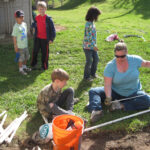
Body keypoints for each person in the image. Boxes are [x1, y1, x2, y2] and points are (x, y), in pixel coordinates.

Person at [87, 40, 150, 123]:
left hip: (134, 92)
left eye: (122, 56)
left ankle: (119, 105)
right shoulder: (110, 66)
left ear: (127, 52)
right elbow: (107, 84)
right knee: (93, 91)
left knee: (147, 100)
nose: (119, 59)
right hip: (115, 92)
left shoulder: (134, 60)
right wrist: (109, 98)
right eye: (117, 56)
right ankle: (96, 111)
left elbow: (146, 64)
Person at [31, 1, 56, 70]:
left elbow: (53, 30)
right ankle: (34, 64)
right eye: (40, 9)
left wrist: (51, 39)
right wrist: (33, 29)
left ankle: (44, 65)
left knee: (44, 53)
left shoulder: (48, 19)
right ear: (37, 10)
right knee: (35, 51)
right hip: (37, 38)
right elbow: (33, 25)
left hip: (45, 39)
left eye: (43, 9)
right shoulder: (36, 18)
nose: (41, 10)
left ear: (45, 9)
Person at [83, 6, 101, 81]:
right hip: (88, 47)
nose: (97, 17)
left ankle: (93, 73)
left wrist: (94, 45)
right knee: (89, 61)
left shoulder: (92, 23)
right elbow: (88, 37)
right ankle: (86, 76)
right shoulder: (88, 25)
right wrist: (94, 46)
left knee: (96, 59)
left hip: (93, 46)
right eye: (97, 16)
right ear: (93, 15)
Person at [12, 10, 31, 75]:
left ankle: (24, 67)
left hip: (25, 45)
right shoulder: (16, 27)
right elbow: (14, 37)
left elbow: (25, 33)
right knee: (21, 58)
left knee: (26, 57)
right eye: (20, 17)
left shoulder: (24, 24)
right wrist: (15, 46)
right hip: (20, 47)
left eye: (23, 17)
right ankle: (20, 69)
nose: (22, 18)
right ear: (16, 18)